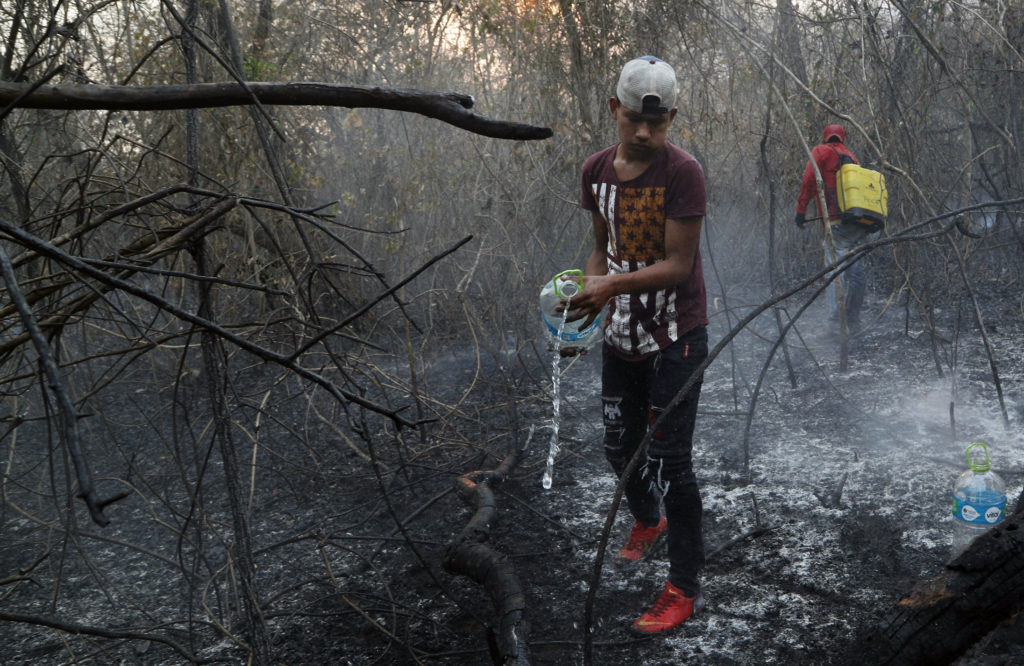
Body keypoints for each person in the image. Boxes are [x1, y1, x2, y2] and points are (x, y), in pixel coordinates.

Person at [565, 56, 709, 635]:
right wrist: (583, 305)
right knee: (617, 447)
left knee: (672, 462)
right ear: (614, 111)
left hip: (676, 336)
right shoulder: (595, 171)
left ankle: (682, 587)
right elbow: (601, 249)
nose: (645, 133)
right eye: (633, 121)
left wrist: (610, 286)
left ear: (671, 117)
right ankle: (648, 522)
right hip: (619, 334)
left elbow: (677, 267)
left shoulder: (683, 173)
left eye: (658, 123)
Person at [794, 124, 871, 334]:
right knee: (856, 270)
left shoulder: (820, 151)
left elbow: (809, 180)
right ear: (842, 138)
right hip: (857, 222)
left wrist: (801, 210)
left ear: (825, 136)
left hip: (835, 222)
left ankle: (837, 323)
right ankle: (853, 319)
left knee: (834, 270)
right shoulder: (852, 157)